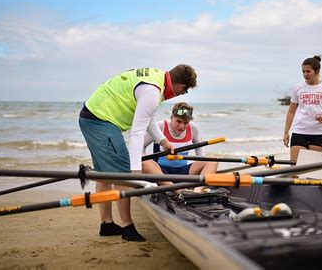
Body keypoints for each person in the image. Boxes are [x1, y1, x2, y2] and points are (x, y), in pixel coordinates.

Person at [79, 65, 197, 241]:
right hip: (102, 120)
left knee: (104, 175)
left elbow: (146, 117)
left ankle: (107, 224)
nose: (182, 94)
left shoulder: (156, 78)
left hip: (92, 116)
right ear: (181, 87)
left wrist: (162, 141)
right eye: (185, 91)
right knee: (122, 174)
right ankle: (128, 228)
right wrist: (134, 172)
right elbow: (137, 133)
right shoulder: (152, 91)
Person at [142, 102, 218, 193]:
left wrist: (201, 165)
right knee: (143, 161)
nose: (182, 126)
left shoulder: (193, 128)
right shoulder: (160, 126)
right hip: (161, 173)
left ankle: (197, 190)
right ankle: (176, 190)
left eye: (185, 123)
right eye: (178, 121)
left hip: (183, 173)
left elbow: (199, 148)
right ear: (171, 117)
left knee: (213, 160)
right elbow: (141, 147)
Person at [283, 55, 322, 162]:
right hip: (299, 132)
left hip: (319, 134)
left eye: (308, 71)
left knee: (311, 171)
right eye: (303, 71)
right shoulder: (297, 88)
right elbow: (291, 112)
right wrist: (286, 132)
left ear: (317, 71)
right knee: (295, 169)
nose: (305, 74)